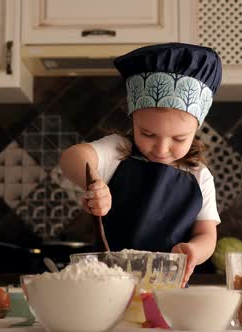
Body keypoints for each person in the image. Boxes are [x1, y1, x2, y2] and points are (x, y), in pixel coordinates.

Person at [60, 43, 222, 286]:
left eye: (179, 139)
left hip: (169, 289)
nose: (161, 148)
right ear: (133, 121)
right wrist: (93, 182)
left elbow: (207, 235)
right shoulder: (117, 151)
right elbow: (73, 156)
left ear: (195, 131)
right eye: (147, 134)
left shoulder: (200, 176)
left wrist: (194, 251)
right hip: (108, 286)